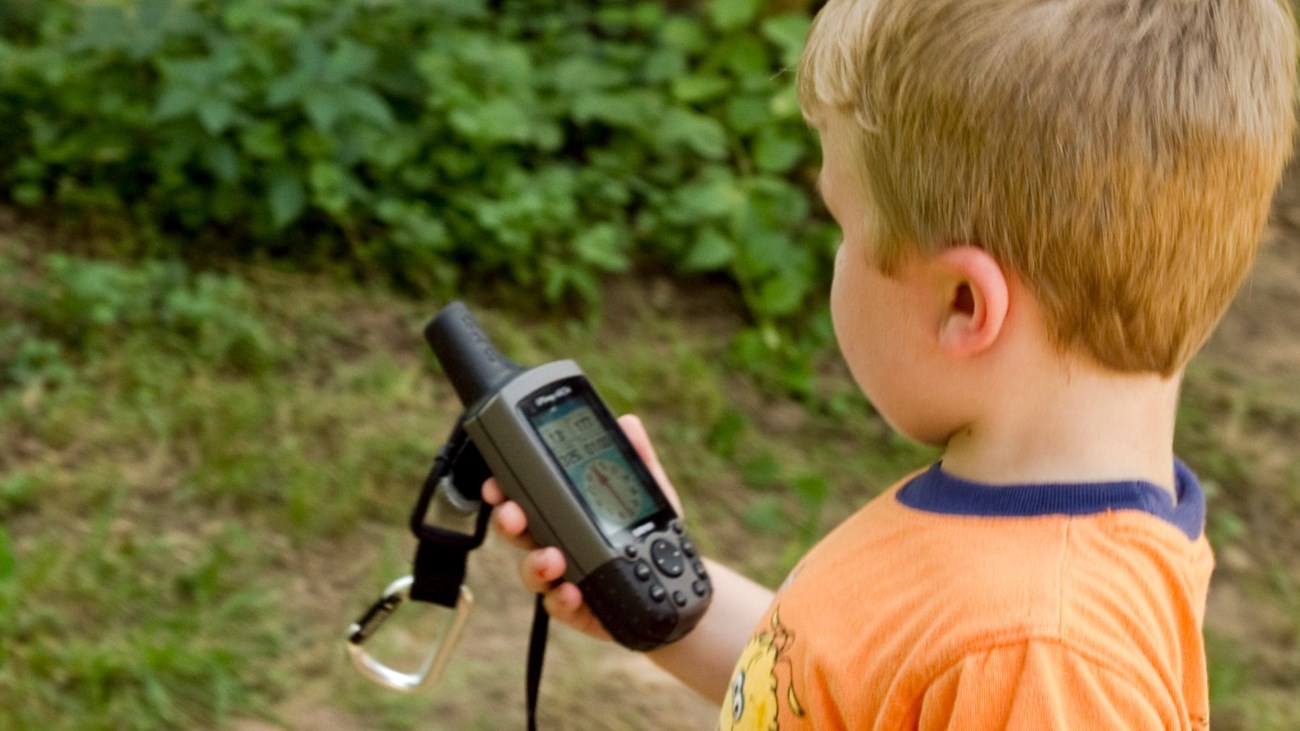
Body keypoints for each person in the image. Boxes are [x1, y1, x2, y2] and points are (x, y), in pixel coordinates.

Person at [484, 0, 1299, 726]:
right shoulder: (1007, 572)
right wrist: (670, 607)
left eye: (841, 222)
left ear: (964, 304)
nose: (832, 255)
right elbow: (853, 685)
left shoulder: (1039, 652)